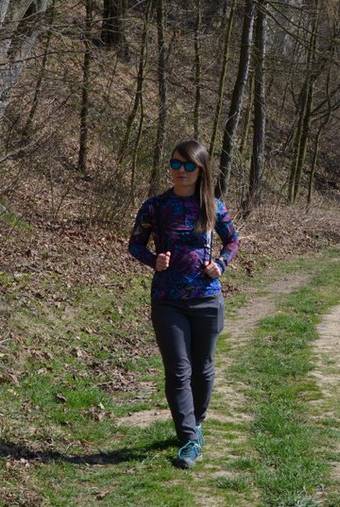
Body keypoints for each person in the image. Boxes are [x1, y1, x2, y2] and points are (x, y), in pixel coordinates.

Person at [128, 139, 240, 469]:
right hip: (167, 300)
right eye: (176, 164)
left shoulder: (213, 206)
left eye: (189, 165)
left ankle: (197, 423)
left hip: (207, 298)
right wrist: (153, 260)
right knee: (178, 370)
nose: (181, 171)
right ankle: (189, 438)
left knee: (202, 368)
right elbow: (135, 245)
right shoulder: (156, 206)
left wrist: (220, 264)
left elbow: (232, 240)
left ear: (201, 169)